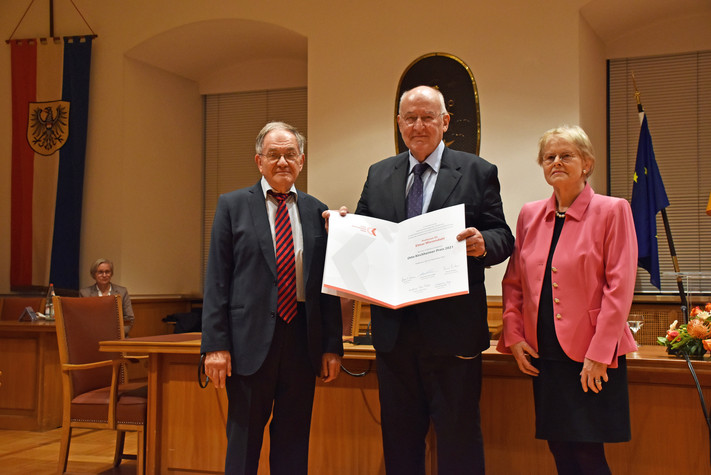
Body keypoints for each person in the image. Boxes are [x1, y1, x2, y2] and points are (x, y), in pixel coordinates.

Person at [350, 85, 514, 474]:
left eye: (427, 117)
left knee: (459, 442)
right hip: (394, 336)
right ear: (399, 124)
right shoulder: (378, 174)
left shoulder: (478, 170)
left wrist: (482, 243)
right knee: (400, 443)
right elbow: (363, 232)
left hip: (453, 335)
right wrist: (343, 226)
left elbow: (502, 235)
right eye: (410, 118)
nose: (418, 125)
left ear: (445, 122)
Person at [201, 122, 343, 475]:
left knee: (294, 444)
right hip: (248, 345)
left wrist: (332, 346)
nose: (282, 161)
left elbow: (327, 284)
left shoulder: (317, 212)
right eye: (273, 154)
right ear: (258, 161)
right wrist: (214, 345)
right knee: (244, 444)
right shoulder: (232, 205)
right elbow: (217, 279)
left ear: (302, 161)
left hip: (300, 342)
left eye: (290, 154)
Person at [496, 125, 638, 474]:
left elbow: (619, 288)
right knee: (560, 448)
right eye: (549, 157)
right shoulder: (530, 214)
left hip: (592, 354)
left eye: (566, 155)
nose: (556, 162)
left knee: (589, 454)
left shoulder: (612, 210)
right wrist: (513, 336)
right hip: (545, 352)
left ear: (587, 163)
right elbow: (514, 283)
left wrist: (600, 354)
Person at [79, 258, 135, 335]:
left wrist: (119, 333)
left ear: (111, 274)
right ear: (94, 274)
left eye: (107, 272)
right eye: (100, 272)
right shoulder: (85, 293)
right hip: (93, 336)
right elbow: (83, 320)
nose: (104, 275)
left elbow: (129, 319)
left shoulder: (122, 292)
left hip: (118, 337)